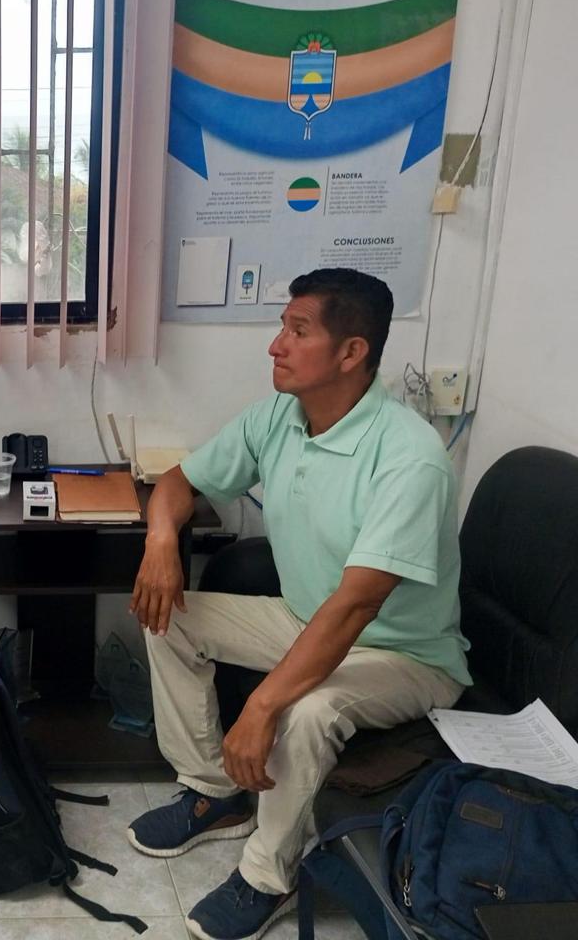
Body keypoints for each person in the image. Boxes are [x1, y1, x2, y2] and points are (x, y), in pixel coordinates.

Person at [126, 269, 469, 940]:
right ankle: (214, 793)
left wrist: (260, 707)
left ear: (351, 352)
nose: (276, 345)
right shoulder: (278, 418)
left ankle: (268, 876)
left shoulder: (410, 457)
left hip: (402, 653)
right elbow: (178, 481)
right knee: (166, 616)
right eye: (282, 327)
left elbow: (357, 607)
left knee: (307, 711)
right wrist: (162, 539)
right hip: (307, 620)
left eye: (298, 330)